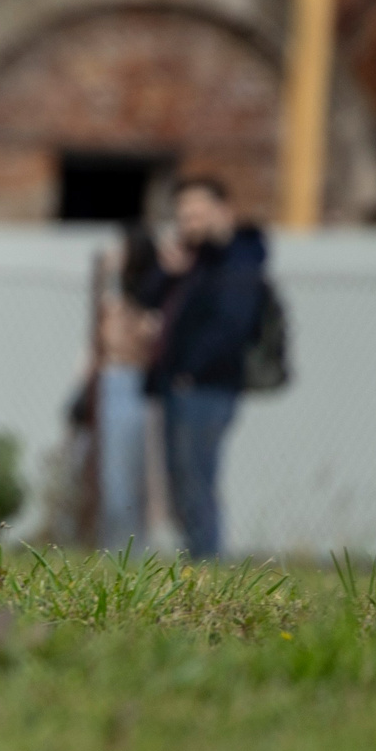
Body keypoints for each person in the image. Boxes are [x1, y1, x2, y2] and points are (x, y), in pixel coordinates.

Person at [135, 177, 266, 560]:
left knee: (197, 478)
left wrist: (190, 370)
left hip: (207, 386)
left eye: (198, 214)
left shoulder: (237, 260)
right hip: (177, 385)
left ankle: (206, 561)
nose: (189, 223)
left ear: (222, 212)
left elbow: (231, 325)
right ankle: (195, 555)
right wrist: (168, 269)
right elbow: (147, 298)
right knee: (179, 479)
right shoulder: (190, 261)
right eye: (184, 216)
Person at [94, 229, 162, 552]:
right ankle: (110, 548)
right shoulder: (109, 300)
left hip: (134, 386)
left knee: (131, 478)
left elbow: (143, 345)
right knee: (107, 477)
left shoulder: (148, 304)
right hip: (109, 384)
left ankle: (132, 552)